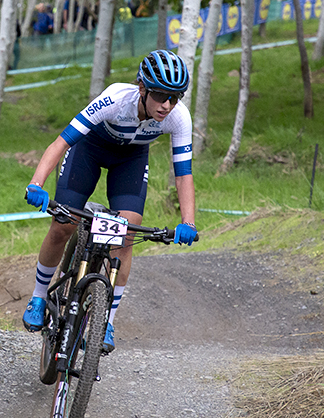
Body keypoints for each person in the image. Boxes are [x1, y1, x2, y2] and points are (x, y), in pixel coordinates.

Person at [22, 50, 198, 353]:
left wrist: (188, 221)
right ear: (142, 88)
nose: (166, 105)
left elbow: (183, 174)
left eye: (175, 97)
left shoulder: (178, 117)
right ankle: (39, 296)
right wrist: (36, 184)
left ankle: (107, 321)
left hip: (129, 160)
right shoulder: (116, 98)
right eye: (159, 95)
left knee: (128, 232)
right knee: (64, 224)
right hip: (89, 150)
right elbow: (61, 142)